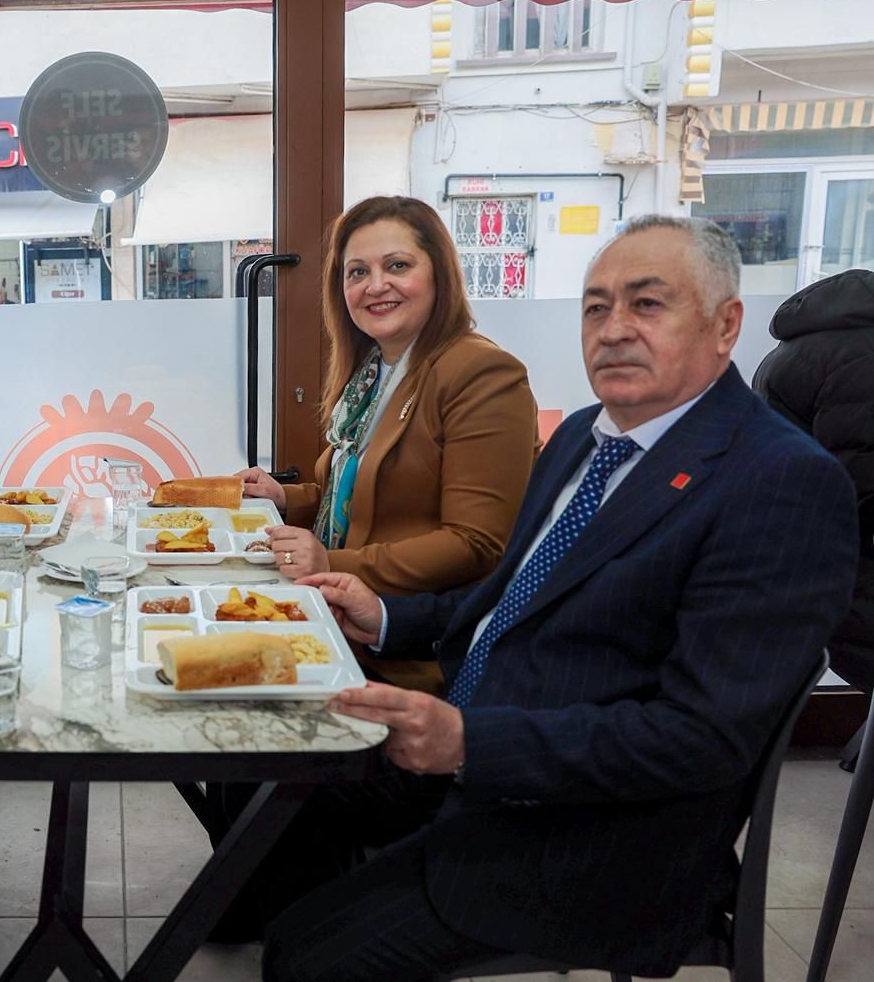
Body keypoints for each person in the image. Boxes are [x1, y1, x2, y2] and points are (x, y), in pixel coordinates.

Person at [257, 216, 860, 982]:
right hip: (487, 750)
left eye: (647, 304)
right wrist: (386, 616)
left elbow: (701, 737)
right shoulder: (583, 435)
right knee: (273, 776)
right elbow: (510, 601)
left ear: (725, 325)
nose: (614, 329)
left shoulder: (779, 482)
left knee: (303, 954)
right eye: (596, 307)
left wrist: (471, 744)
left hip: (593, 837)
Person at [239, 196, 538, 693]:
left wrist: (329, 563)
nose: (375, 285)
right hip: (336, 620)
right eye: (357, 272)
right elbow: (359, 496)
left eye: (397, 265)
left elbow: (476, 543)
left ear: (439, 274)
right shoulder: (374, 371)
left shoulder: (482, 372)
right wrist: (284, 498)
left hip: (408, 653)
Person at [752, 268, 874, 702]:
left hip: (796, 563)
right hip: (843, 576)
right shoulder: (862, 358)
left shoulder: (798, 346)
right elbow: (862, 493)